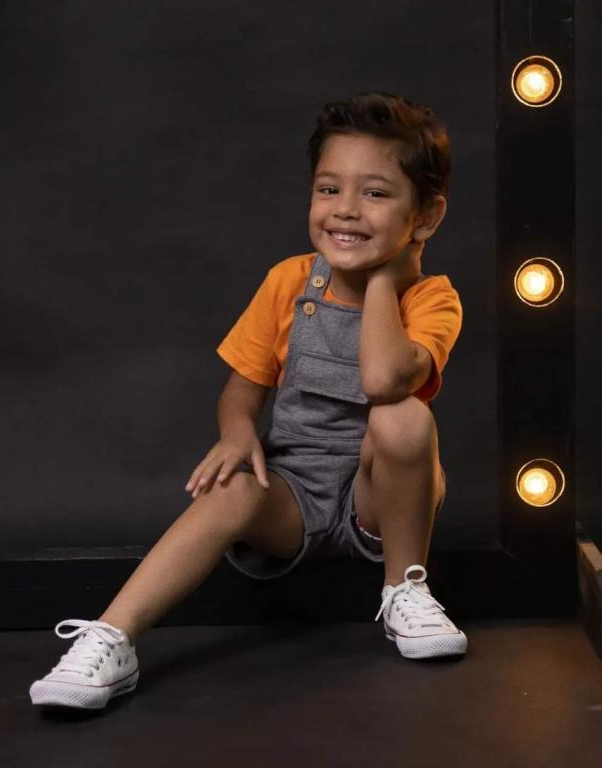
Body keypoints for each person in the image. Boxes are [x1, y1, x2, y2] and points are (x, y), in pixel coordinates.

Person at [30, 91, 466, 710]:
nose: (345, 209)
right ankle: (112, 638)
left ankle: (406, 588)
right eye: (328, 189)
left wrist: (384, 283)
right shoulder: (289, 282)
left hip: (378, 500)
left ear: (426, 217)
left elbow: (383, 381)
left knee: (403, 417)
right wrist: (236, 433)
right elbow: (243, 387)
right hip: (293, 495)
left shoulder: (431, 299)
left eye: (375, 193)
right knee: (230, 485)